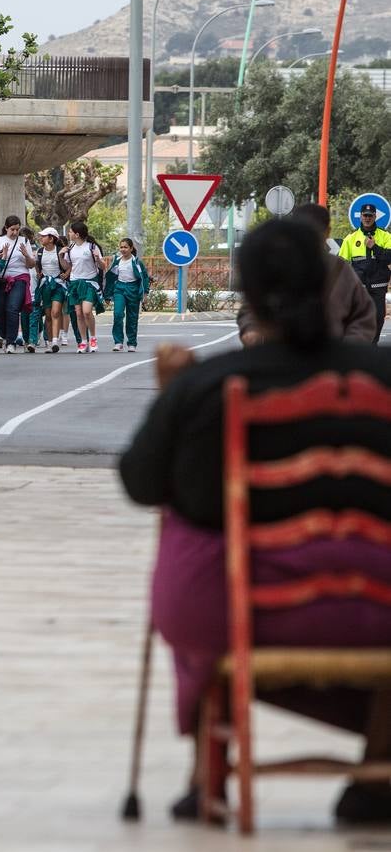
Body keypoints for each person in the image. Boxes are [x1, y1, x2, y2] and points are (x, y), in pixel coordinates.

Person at [120, 218, 391, 824]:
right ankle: (379, 769)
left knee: (189, 532)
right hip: (381, 608)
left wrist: (171, 398)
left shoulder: (210, 386)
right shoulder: (384, 382)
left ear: (245, 294)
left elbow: (143, 484)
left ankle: (209, 768)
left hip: (242, 611)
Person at [239, 204, 376, 346]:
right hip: (278, 356)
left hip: (329, 358)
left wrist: (347, 350)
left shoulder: (339, 268)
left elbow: (362, 316)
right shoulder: (273, 262)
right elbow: (251, 305)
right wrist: (251, 331)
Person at [339, 202, 391, 344]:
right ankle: (362, 348)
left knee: (378, 318)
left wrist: (374, 247)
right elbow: (341, 263)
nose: (367, 218)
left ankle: (371, 346)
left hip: (378, 287)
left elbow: (389, 256)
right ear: (360, 217)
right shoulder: (351, 238)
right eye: (365, 215)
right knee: (359, 320)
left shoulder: (385, 236)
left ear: (375, 216)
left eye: (370, 215)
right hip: (359, 288)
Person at [0, 216, 36, 354]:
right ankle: (4, 335)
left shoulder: (25, 241)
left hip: (19, 278)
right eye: (12, 229)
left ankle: (11, 342)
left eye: (17, 229)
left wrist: (26, 255)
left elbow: (31, 265)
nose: (15, 232)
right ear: (6, 228)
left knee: (13, 308)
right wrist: (0, 257)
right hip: (1, 280)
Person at [63, 220, 105, 353]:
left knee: (87, 311)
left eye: (70, 231)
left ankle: (93, 338)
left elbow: (103, 267)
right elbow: (67, 267)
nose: (69, 234)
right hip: (75, 283)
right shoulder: (70, 249)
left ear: (77, 234)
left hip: (89, 282)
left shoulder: (92, 247)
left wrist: (98, 259)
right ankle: (83, 341)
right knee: (79, 313)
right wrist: (60, 256)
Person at [104, 237, 149, 352]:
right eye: (121, 247)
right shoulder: (117, 261)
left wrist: (145, 294)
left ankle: (132, 343)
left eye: (125, 247)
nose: (123, 249)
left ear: (131, 248)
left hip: (133, 289)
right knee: (118, 314)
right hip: (119, 288)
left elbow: (144, 278)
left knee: (132, 317)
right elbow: (110, 278)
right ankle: (118, 342)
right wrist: (107, 295)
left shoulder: (137, 262)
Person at [32, 227, 69, 353]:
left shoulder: (60, 251)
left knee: (55, 312)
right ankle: (48, 342)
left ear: (51, 238)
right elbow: (37, 265)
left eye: (44, 236)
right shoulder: (40, 251)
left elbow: (68, 266)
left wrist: (66, 273)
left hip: (58, 284)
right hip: (45, 285)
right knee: (47, 315)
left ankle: (55, 341)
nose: (41, 238)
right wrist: (39, 273)